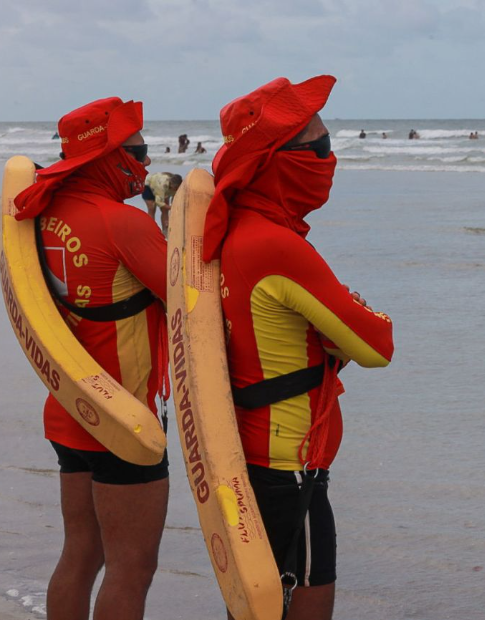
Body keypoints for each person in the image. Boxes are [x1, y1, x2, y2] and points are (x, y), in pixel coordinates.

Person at [203, 76, 394, 620]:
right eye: (319, 148)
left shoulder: (234, 228)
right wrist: (355, 312)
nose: (327, 159)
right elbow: (377, 344)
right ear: (278, 160)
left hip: (249, 453)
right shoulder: (276, 245)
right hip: (290, 467)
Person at [13, 97, 169, 620]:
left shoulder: (38, 213)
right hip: (122, 419)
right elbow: (195, 305)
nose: (146, 164)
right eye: (139, 152)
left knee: (80, 554)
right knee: (132, 567)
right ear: (107, 156)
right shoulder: (121, 223)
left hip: (68, 410)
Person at [142, 171, 183, 237]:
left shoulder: (178, 186)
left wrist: (174, 208)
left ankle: (165, 231)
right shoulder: (162, 186)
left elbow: (174, 199)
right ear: (172, 185)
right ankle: (151, 231)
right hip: (149, 186)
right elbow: (159, 202)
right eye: (175, 189)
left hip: (165, 190)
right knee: (152, 208)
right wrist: (171, 207)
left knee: (165, 210)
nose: (176, 190)